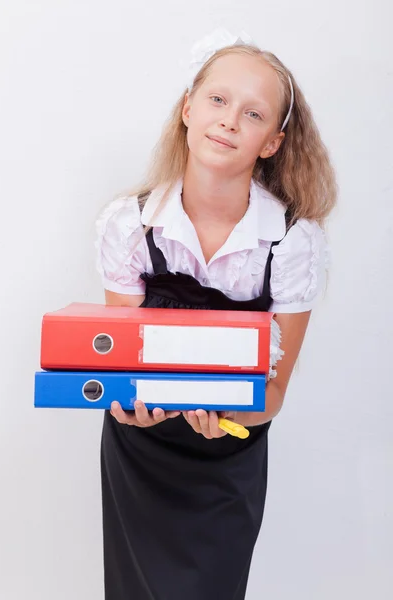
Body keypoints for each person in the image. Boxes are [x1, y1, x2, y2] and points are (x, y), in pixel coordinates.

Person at [95, 27, 337, 600]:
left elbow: (273, 389)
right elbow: (120, 370)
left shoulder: (291, 242)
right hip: (141, 452)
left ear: (272, 143)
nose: (229, 120)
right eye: (218, 100)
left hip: (229, 449)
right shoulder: (129, 226)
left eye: (253, 114)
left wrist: (239, 413)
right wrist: (129, 408)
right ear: (188, 108)